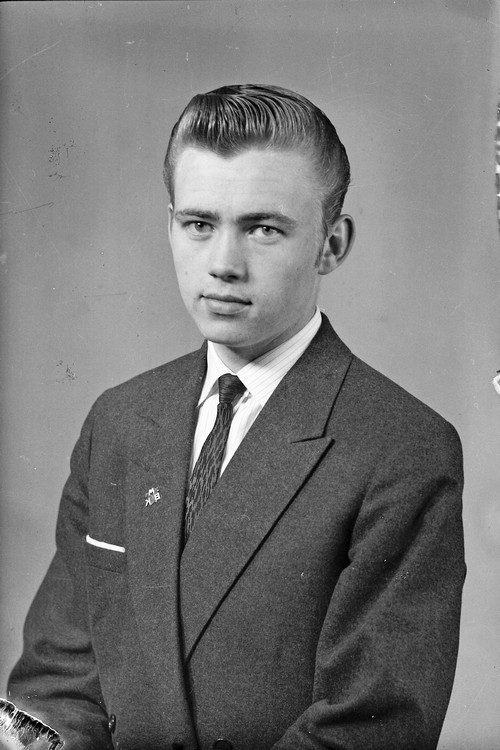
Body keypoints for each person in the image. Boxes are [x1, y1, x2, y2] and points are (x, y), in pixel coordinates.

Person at [8, 84, 465, 750]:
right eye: (199, 224)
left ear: (332, 244)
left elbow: (371, 725)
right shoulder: (120, 422)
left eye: (264, 229)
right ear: (170, 226)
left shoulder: (402, 447)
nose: (223, 265)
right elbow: (55, 688)